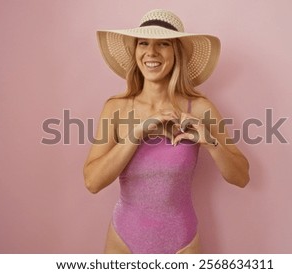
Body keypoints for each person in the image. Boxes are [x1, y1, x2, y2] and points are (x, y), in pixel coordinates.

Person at [83, 9, 249, 254]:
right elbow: (92, 182)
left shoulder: (199, 108)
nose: (151, 53)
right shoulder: (116, 108)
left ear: (176, 53)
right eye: (143, 43)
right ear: (135, 51)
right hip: (122, 242)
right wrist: (136, 133)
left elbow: (241, 177)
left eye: (163, 44)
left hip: (182, 243)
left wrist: (211, 142)